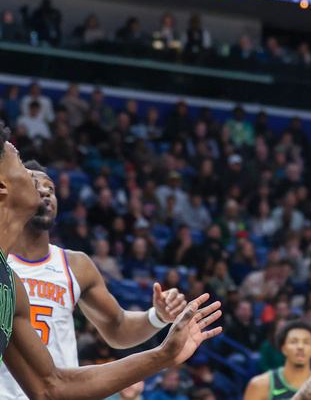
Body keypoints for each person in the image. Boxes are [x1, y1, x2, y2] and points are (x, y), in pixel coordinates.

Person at [0, 122, 224, 398]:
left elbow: (52, 386)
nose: (43, 190)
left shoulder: (22, 282)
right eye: (25, 171)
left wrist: (160, 335)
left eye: (50, 187)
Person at [244, 320, 311, 400]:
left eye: (306, 342)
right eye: (293, 342)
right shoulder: (260, 385)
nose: (300, 347)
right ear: (283, 348)